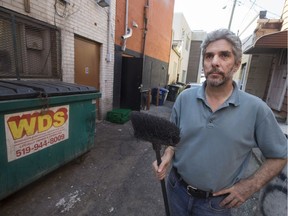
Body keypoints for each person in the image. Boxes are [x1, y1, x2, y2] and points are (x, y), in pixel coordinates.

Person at [152, 28, 287, 216]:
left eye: (224, 55)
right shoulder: (185, 98)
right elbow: (173, 141)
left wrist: (249, 186)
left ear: (237, 64)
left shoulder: (257, 109)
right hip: (177, 190)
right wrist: (168, 154)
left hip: (215, 205)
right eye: (209, 56)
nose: (214, 62)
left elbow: (280, 155)